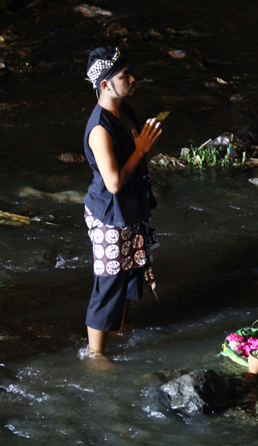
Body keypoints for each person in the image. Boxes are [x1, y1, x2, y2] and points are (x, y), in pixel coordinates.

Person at [82, 46, 162, 358]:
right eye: (123, 75)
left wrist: (142, 145)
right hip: (109, 214)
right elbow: (113, 182)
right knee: (108, 281)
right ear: (104, 85)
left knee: (130, 271)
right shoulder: (100, 129)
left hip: (131, 208)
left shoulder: (124, 111)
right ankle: (95, 355)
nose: (132, 78)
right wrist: (141, 149)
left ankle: (119, 328)